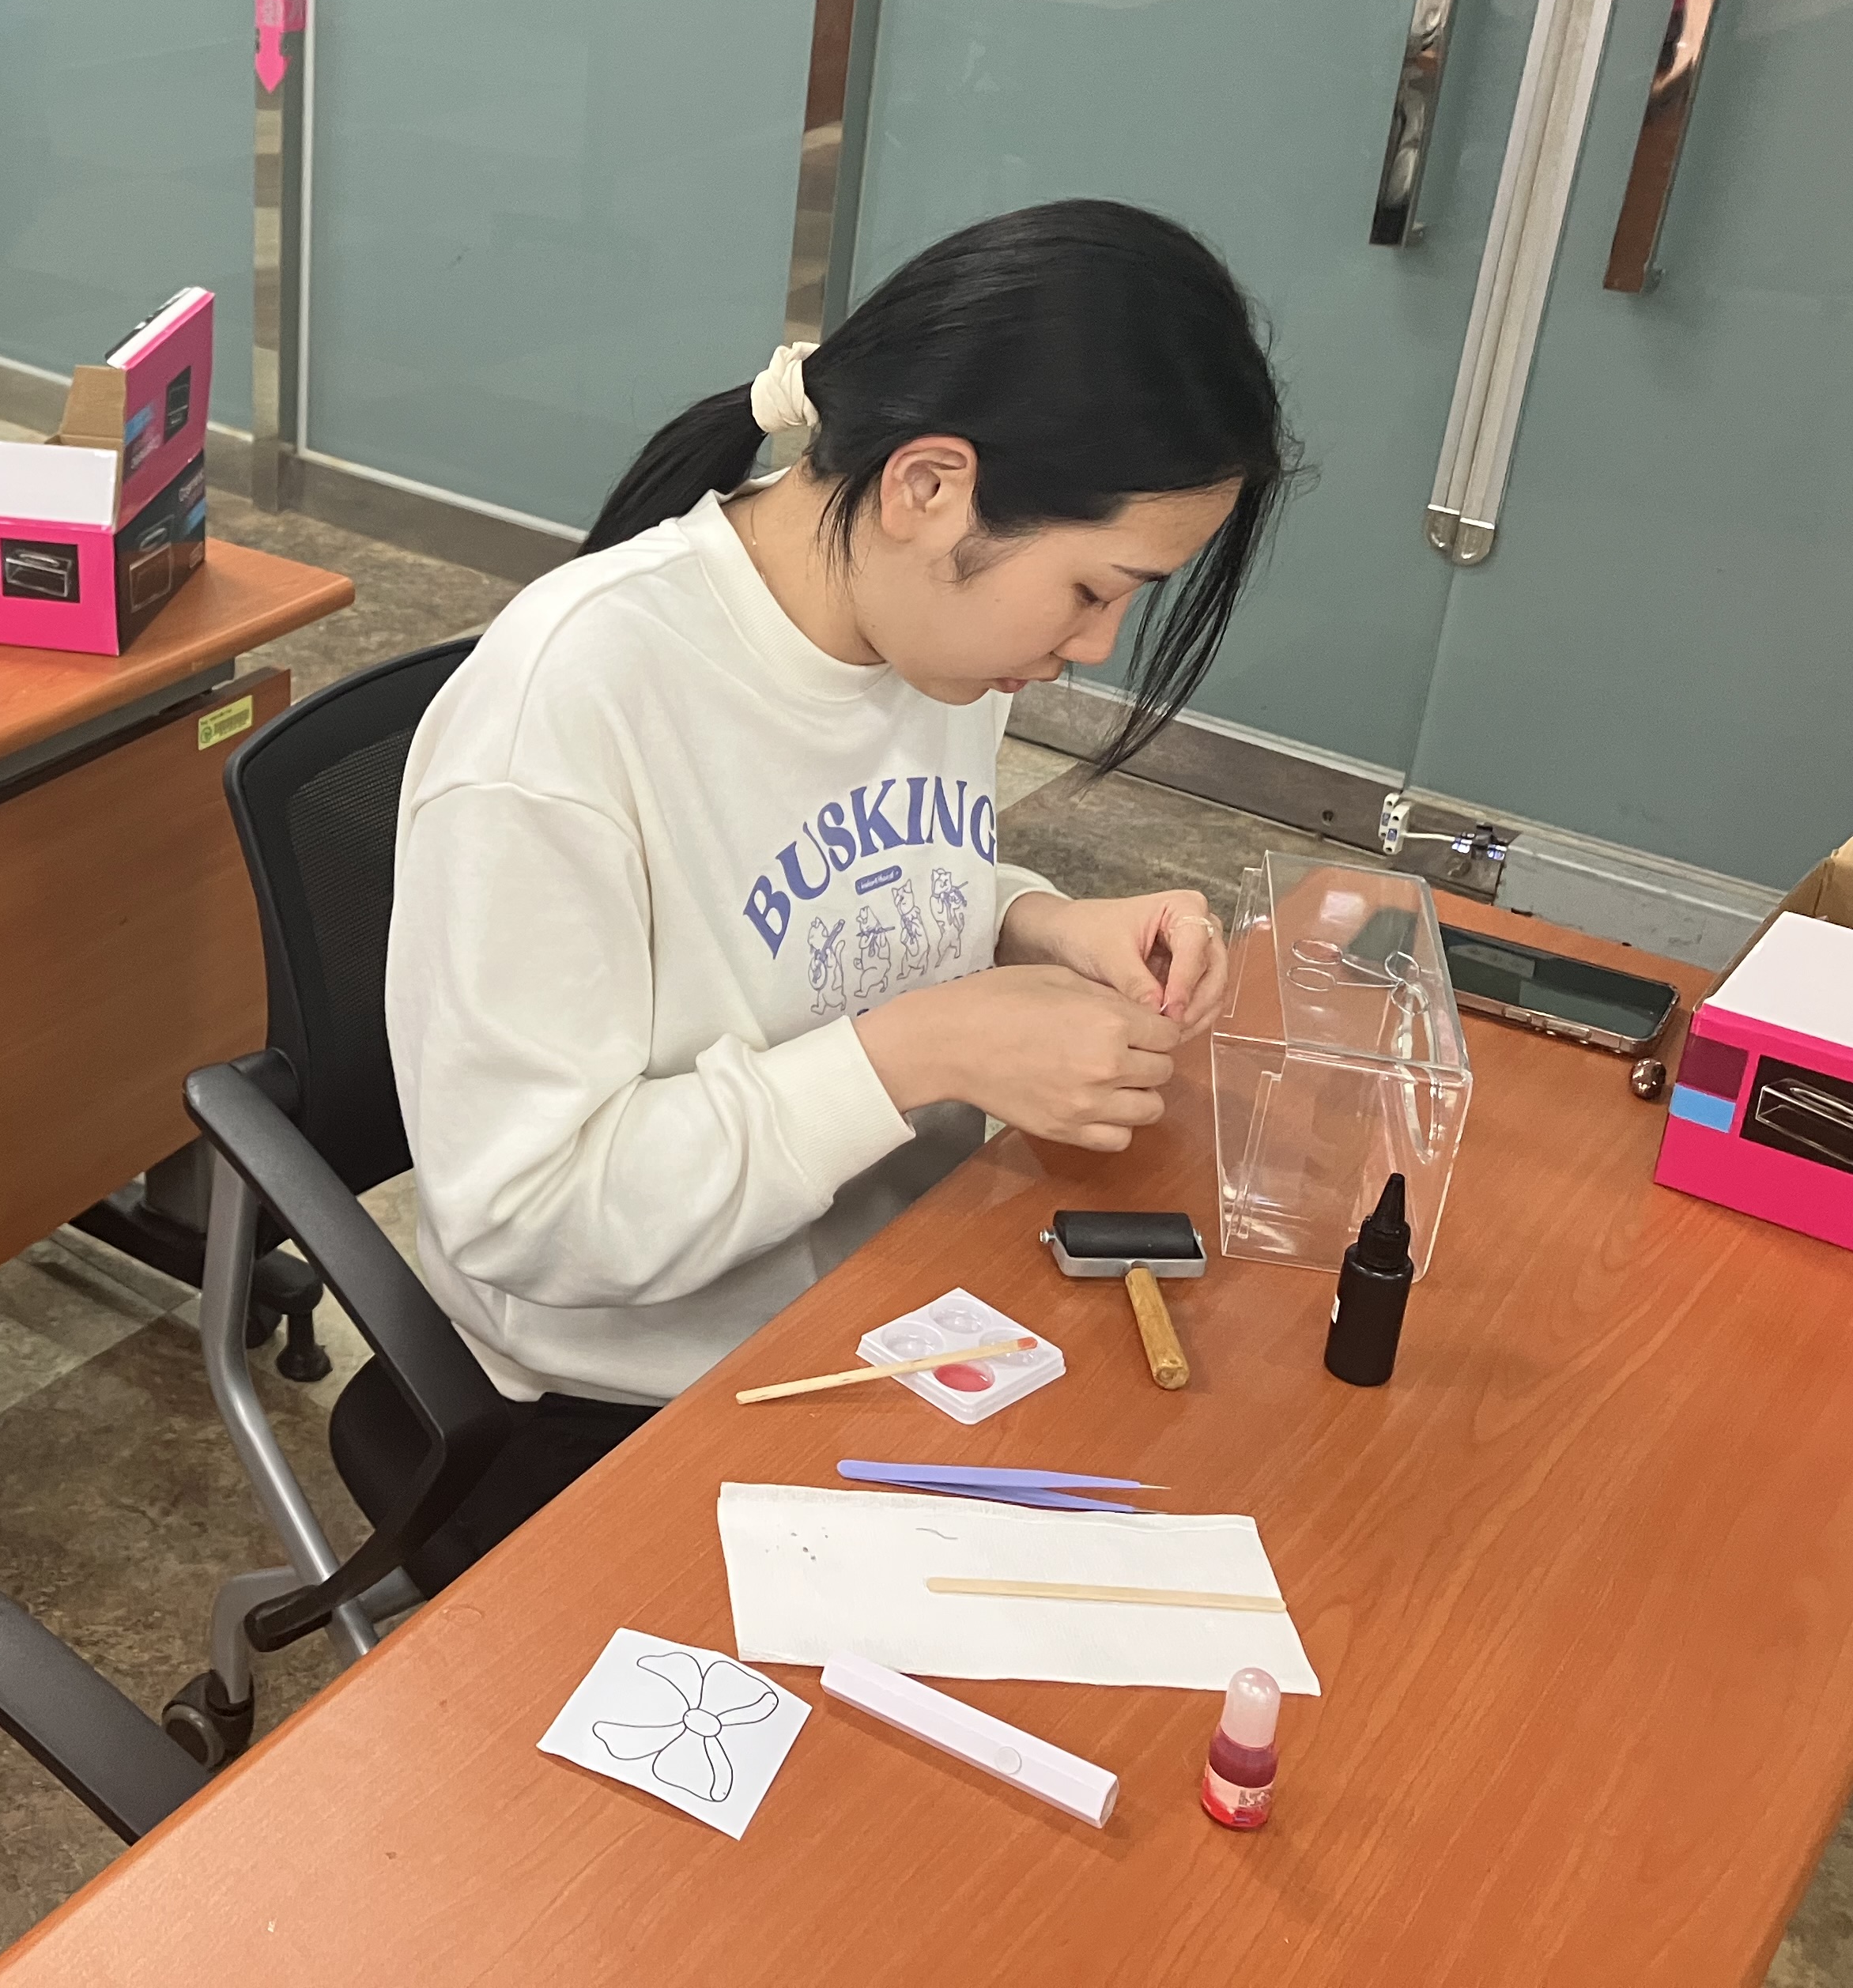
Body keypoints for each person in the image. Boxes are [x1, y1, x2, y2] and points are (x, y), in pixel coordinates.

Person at [383, 199, 1295, 1577]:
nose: (1096, 645)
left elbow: (841, 885)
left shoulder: (919, 627)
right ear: (926, 487)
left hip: (899, 1289)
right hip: (635, 1397)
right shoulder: (565, 709)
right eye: (1092, 588)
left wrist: (1033, 922)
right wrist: (923, 1049)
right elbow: (527, 1214)